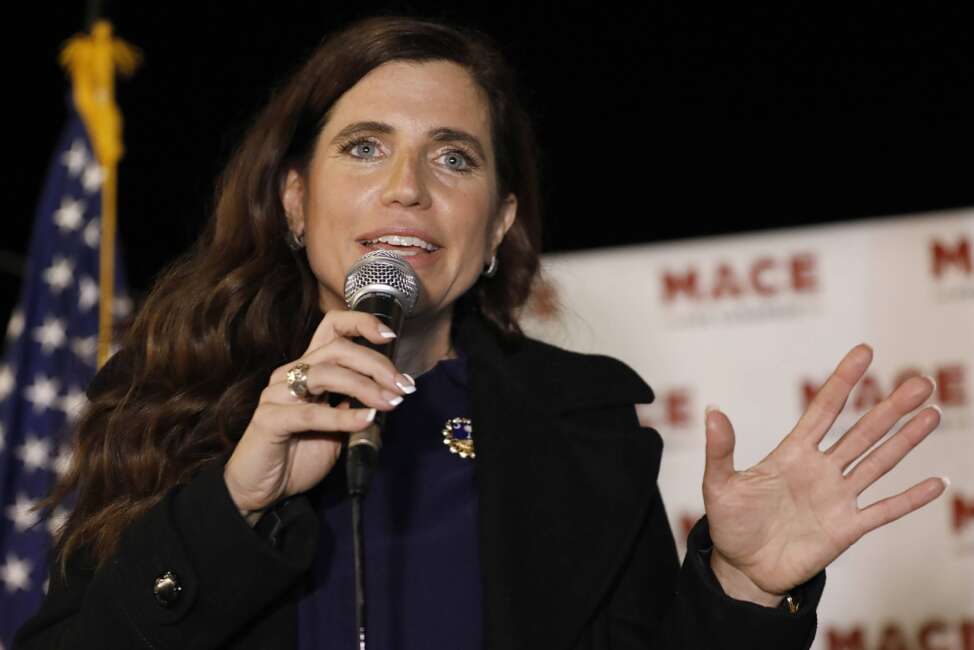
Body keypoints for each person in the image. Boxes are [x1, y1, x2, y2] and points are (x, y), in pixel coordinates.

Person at [15, 15, 946, 650]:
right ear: (296, 201)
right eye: (365, 146)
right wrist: (233, 505)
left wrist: (743, 587)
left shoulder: (585, 433)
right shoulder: (170, 406)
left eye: (451, 157)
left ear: (498, 225)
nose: (407, 186)